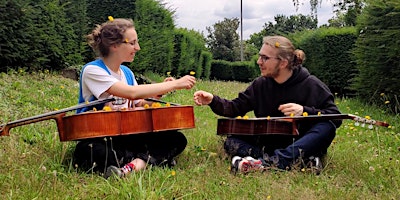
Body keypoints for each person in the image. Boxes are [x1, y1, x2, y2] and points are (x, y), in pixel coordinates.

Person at [193, 36, 341, 174]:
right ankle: (298, 161)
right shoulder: (260, 85)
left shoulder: (311, 84)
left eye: (265, 58)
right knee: (231, 141)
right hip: (269, 141)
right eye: (260, 56)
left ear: (283, 63)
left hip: (301, 142)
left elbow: (335, 117)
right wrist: (212, 100)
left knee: (327, 128)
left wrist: (304, 111)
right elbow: (235, 108)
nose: (259, 61)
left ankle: (269, 162)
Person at [72, 17, 196, 178]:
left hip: (128, 134)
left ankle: (133, 165)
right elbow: (131, 93)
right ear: (114, 45)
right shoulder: (92, 70)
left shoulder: (127, 73)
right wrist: (175, 84)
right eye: (132, 43)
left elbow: (138, 102)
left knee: (177, 139)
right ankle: (151, 159)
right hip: (101, 136)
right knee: (88, 150)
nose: (137, 48)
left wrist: (158, 94)